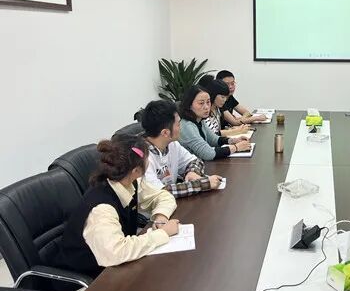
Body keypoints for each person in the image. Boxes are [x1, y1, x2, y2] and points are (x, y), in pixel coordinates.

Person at [54, 134, 179, 279]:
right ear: (136, 171)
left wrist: (161, 217)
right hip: (85, 281)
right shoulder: (102, 209)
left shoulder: (129, 182)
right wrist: (162, 234)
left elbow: (163, 196)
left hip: (113, 270)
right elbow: (116, 253)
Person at [141, 99, 223, 197]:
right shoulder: (141, 156)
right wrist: (202, 184)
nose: (181, 128)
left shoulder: (172, 144)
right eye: (178, 124)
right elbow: (160, 192)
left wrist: (192, 172)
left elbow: (195, 161)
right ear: (165, 133)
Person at [179, 85, 252, 160]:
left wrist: (233, 141)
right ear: (189, 105)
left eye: (208, 102)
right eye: (201, 103)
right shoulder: (187, 126)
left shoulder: (199, 120)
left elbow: (214, 139)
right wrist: (236, 147)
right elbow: (208, 154)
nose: (206, 107)